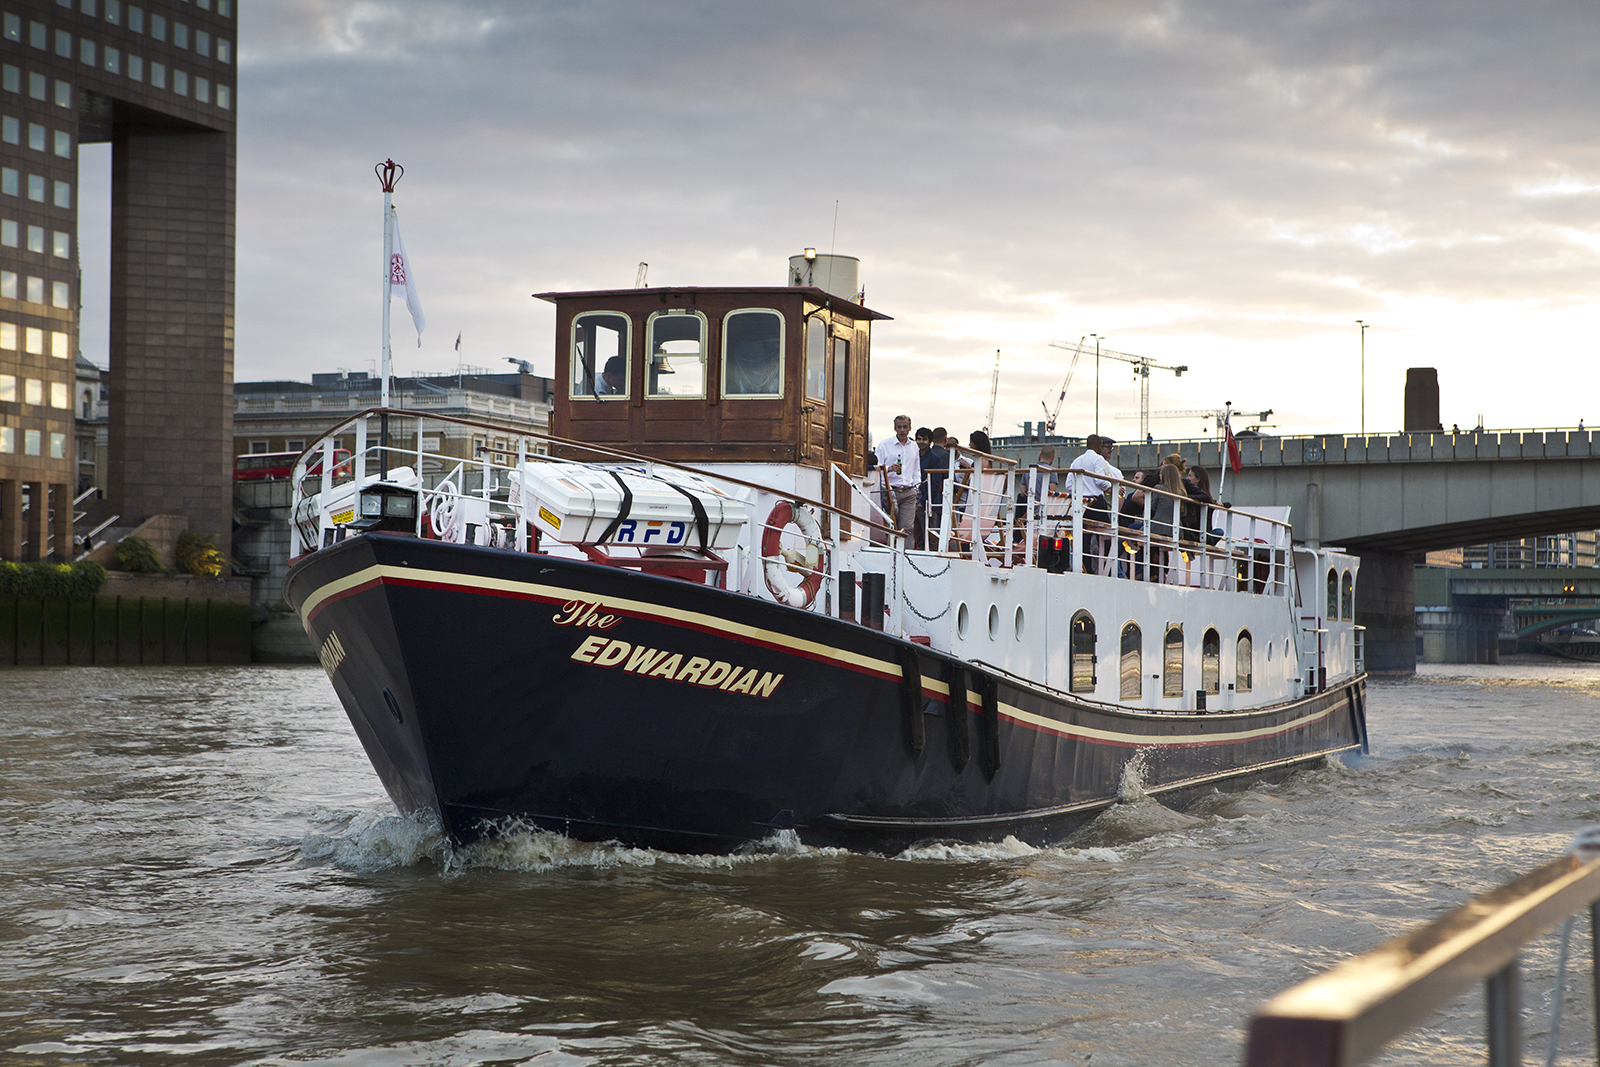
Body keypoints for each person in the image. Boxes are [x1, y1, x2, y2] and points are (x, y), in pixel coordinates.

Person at [875, 415, 921, 542]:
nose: (902, 430)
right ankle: (891, 552)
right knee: (890, 525)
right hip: (889, 491)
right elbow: (875, 467)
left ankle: (908, 557)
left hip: (908, 491)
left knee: (908, 527)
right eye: (899, 427)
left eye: (905, 427)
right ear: (894, 428)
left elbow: (916, 469)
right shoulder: (884, 445)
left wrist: (916, 487)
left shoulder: (914, 447)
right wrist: (888, 468)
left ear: (910, 428)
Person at [924, 426, 950, 549]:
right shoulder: (946, 456)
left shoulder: (927, 454)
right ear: (945, 440)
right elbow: (947, 477)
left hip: (925, 495)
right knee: (939, 531)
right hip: (941, 498)